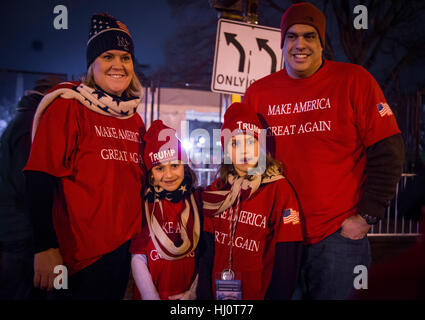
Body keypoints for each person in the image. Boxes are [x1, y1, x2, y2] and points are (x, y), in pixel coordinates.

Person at [242, 2, 404, 299]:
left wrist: (366, 216)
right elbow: (247, 161)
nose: (299, 44)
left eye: (309, 36)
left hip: (338, 236)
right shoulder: (258, 93)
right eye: (291, 36)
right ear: (282, 42)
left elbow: (388, 151)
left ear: (321, 43)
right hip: (278, 233)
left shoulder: (354, 80)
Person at [23, 13, 145, 299]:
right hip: (78, 258)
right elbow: (39, 176)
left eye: (126, 58)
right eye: (108, 56)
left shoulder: (134, 118)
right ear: (92, 64)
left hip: (126, 251)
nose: (118, 65)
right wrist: (44, 247)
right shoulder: (68, 106)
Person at [197, 102, 303, 300]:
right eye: (235, 143)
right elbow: (207, 250)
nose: (244, 151)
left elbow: (288, 256)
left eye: (250, 142)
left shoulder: (279, 189)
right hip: (219, 292)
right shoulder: (217, 189)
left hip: (260, 292)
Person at [0, 75, 63, 300]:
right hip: (26, 240)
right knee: (42, 291)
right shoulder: (32, 126)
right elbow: (29, 184)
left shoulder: (23, 120)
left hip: (19, 236)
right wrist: (46, 242)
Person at [130, 120, 202, 300]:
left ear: (184, 167)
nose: (169, 175)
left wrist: (192, 293)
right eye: (160, 168)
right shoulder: (143, 205)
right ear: (151, 174)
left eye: (174, 166)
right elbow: (138, 257)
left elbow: (206, 253)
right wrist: (150, 296)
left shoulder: (197, 201)